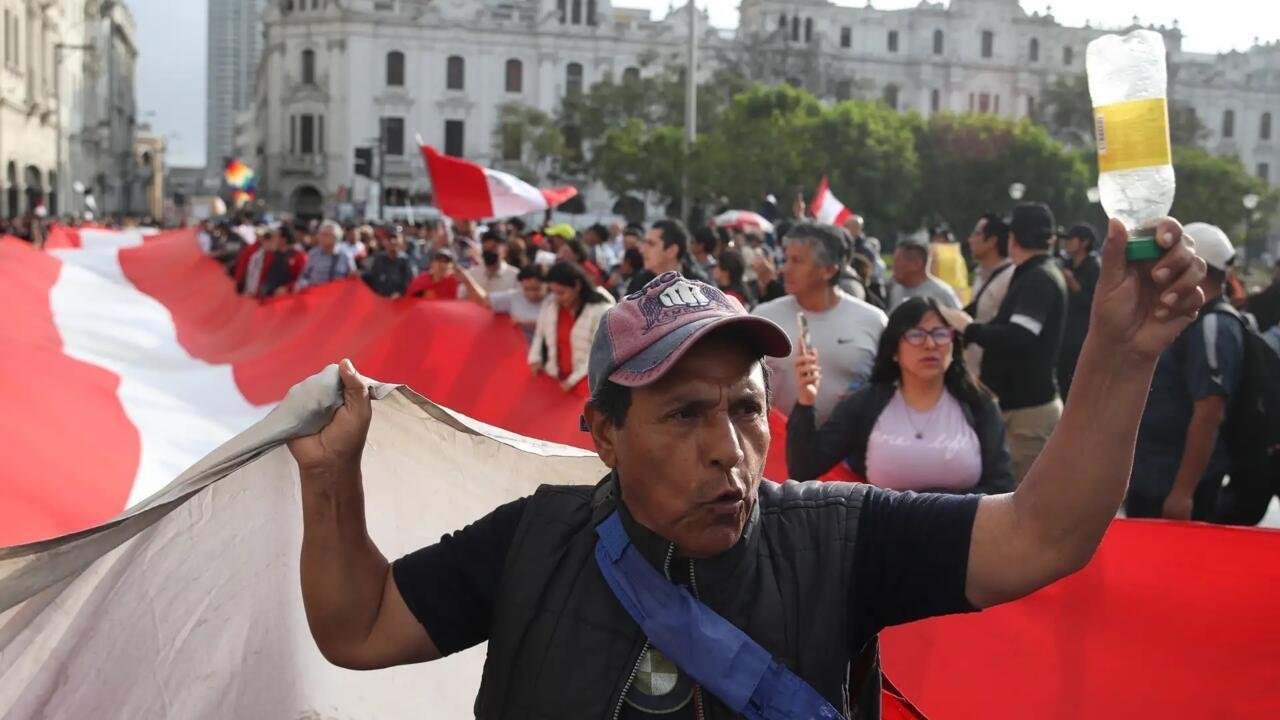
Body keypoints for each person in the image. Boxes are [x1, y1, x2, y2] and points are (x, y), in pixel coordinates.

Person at [286, 218, 1203, 717]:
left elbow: (1045, 533)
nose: (728, 450)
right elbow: (358, 629)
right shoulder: (531, 543)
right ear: (602, 434)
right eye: (684, 414)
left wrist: (1120, 360)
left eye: (746, 409)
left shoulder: (840, 538)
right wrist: (332, 479)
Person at [787, 297, 1013, 494]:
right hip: (886, 539)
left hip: (963, 536)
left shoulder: (979, 405)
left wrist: (941, 509)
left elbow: (1001, 487)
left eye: (940, 334)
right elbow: (804, 468)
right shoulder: (866, 404)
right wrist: (806, 401)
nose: (930, 344)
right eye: (916, 335)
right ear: (894, 350)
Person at [941, 202, 1069, 486]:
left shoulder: (1038, 279)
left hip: (1028, 412)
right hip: (1021, 407)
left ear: (1012, 238)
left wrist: (969, 328)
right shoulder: (1033, 274)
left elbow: (1019, 337)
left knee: (1020, 501)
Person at [1129, 223, 1243, 521]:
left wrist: (1182, 494)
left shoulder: (1212, 326)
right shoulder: (1187, 318)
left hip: (1172, 486)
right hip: (1151, 476)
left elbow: (1209, 414)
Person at [752, 222, 887, 424]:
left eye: (797, 261)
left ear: (829, 271)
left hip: (850, 450)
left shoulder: (873, 322)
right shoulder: (762, 319)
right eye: (787, 259)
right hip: (775, 449)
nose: (785, 269)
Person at [529, 261, 614, 391]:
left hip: (586, 383)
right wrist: (535, 358)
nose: (557, 298)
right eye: (553, 292)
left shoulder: (600, 311)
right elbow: (539, 334)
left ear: (577, 286)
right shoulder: (550, 304)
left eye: (561, 292)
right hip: (557, 379)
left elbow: (600, 354)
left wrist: (572, 380)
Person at [963, 213, 1014, 373]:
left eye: (976, 234)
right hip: (974, 371)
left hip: (995, 374)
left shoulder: (1011, 278)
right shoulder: (980, 275)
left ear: (992, 241)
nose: (970, 239)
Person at [1058, 223, 1101, 399]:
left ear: (1084, 242)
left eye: (1071, 239)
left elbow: (1094, 302)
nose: (1067, 243)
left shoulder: (1093, 267)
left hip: (1080, 336)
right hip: (1063, 332)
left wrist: (1073, 284)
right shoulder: (1065, 263)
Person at [458, 264, 548, 342]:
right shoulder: (514, 297)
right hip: (521, 353)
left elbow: (554, 325)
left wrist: (524, 322)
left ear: (547, 285)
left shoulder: (554, 300)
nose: (531, 294)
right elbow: (483, 300)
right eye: (526, 289)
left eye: (536, 289)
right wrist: (467, 280)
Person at [627, 219, 707, 295]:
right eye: (644, 243)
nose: (642, 250)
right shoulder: (639, 284)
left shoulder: (699, 287)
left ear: (672, 251)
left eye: (651, 244)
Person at [888, 235, 962, 310]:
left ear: (916, 264)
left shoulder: (941, 293)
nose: (893, 266)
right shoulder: (896, 290)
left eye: (897, 261)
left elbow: (961, 319)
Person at [297, 220, 356, 290]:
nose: (321, 237)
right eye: (320, 234)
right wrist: (306, 285)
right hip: (316, 295)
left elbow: (353, 279)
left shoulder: (346, 256)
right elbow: (303, 276)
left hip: (337, 296)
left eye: (326, 235)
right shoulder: (313, 254)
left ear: (335, 237)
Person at [363, 233, 416, 298]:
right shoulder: (379, 259)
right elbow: (371, 278)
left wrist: (399, 293)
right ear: (384, 242)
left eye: (395, 238)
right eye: (389, 239)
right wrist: (357, 276)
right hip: (381, 301)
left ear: (401, 242)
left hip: (399, 302)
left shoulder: (406, 261)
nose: (392, 241)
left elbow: (410, 283)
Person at [929, 226, 971, 305]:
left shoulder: (954, 256)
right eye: (934, 238)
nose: (936, 241)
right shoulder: (958, 255)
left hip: (949, 299)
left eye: (940, 238)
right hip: (954, 299)